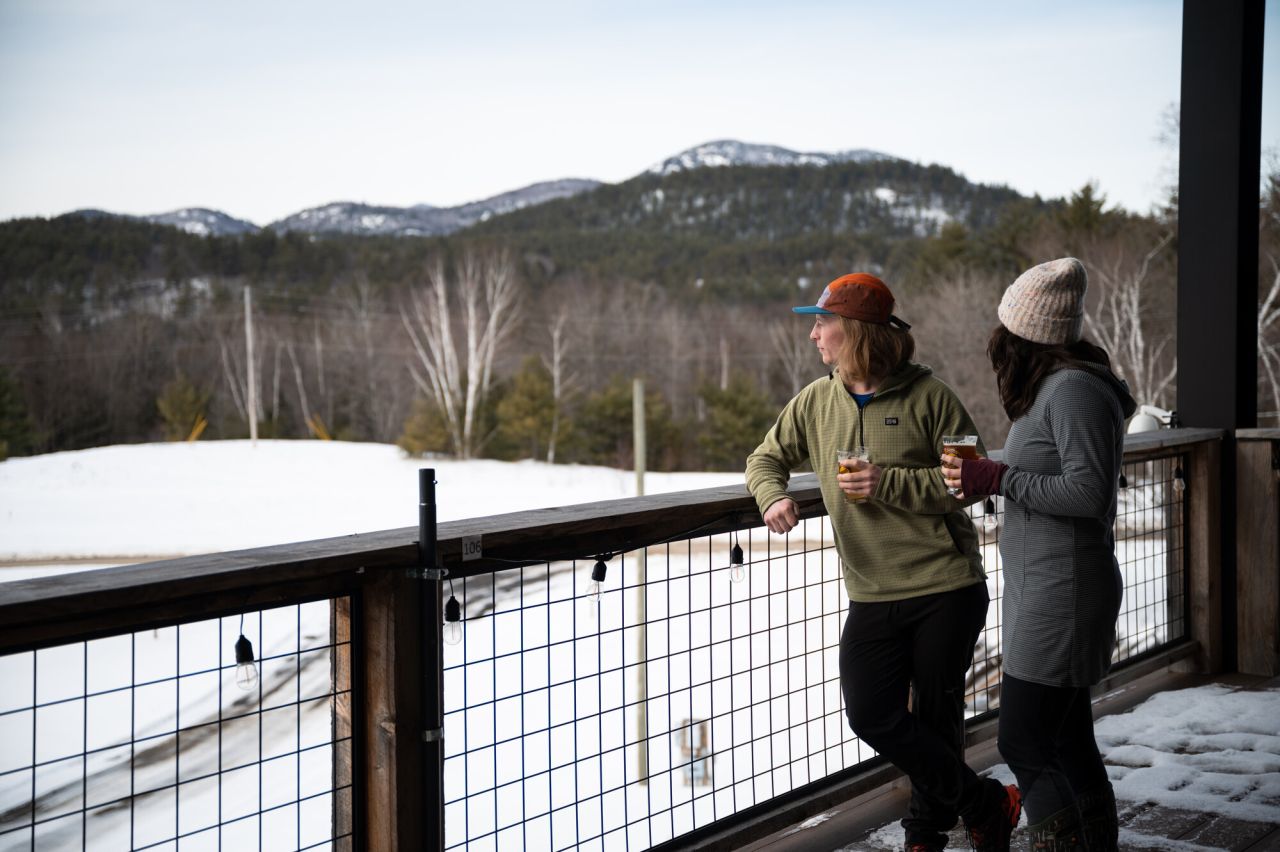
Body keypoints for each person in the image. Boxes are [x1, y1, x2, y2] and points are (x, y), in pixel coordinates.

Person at [747, 273, 1021, 852]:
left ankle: (925, 833)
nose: (814, 335)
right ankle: (984, 802)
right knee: (871, 714)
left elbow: (967, 484)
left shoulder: (932, 397)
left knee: (938, 712)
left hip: (946, 583)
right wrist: (772, 495)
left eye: (822, 323)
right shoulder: (817, 401)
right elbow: (765, 456)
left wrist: (886, 482)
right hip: (871, 590)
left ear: (856, 334)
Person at [941, 257, 1133, 851]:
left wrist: (999, 477)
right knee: (1068, 738)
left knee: (1024, 741)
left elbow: (1087, 491)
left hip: (1063, 594)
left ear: (1024, 334)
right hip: (1051, 589)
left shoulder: (1072, 389)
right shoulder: (1062, 387)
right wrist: (989, 477)